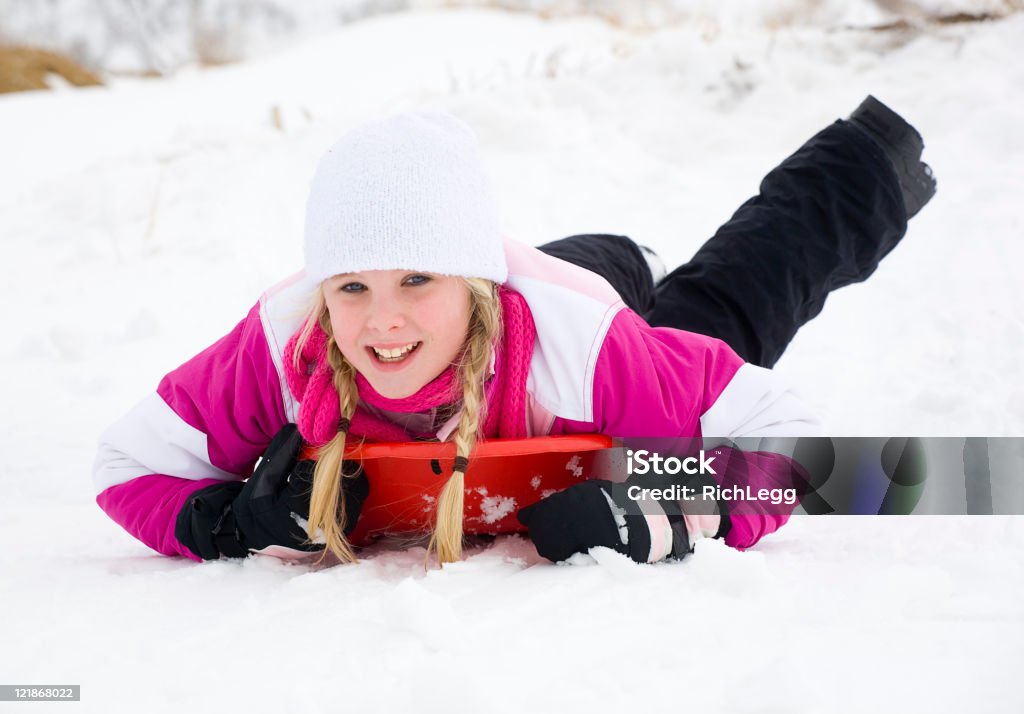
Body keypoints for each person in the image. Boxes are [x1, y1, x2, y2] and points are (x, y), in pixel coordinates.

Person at [92, 97, 936, 567]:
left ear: (469, 280)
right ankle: (612, 255)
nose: (380, 320)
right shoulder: (285, 346)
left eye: (416, 278)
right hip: (527, 290)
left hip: (573, 316)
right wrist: (225, 520)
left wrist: (676, 507)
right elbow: (124, 465)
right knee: (583, 292)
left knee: (724, 310)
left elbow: (800, 448)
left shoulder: (591, 348)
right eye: (352, 286)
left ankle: (859, 166)